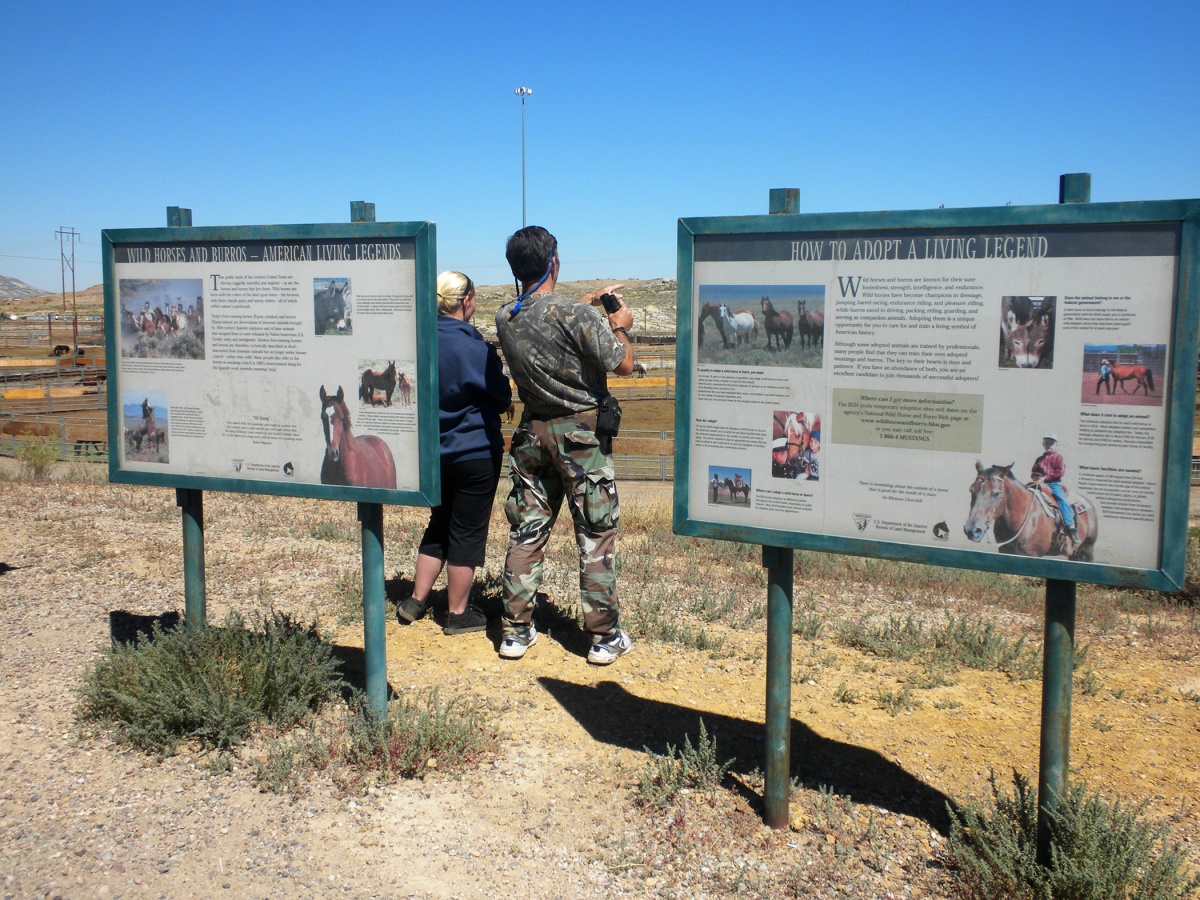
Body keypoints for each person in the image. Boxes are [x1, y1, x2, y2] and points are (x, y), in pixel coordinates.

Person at [493, 225, 636, 665]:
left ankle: (515, 631)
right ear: (554, 261)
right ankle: (603, 636)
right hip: (581, 440)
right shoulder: (579, 319)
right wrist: (621, 325)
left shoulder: (505, 317)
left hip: (532, 435)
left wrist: (588, 304)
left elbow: (543, 314)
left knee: (528, 530)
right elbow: (625, 364)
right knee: (595, 534)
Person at [398, 271, 512, 635]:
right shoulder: (475, 347)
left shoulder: (418, 341)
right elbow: (500, 395)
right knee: (467, 531)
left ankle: (416, 600)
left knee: (439, 523)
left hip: (434, 452)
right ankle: (458, 613)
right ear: (466, 301)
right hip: (474, 451)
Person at [1030, 432, 1077, 542]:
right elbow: (1033, 472)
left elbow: (1060, 472)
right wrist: (1036, 477)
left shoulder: (1058, 457)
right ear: (1043, 444)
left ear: (1056, 445)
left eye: (1051, 443)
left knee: (1061, 500)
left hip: (1053, 484)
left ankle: (1070, 526)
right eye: (1047, 443)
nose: (1049, 445)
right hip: (1039, 484)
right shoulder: (1039, 459)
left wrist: (1045, 478)